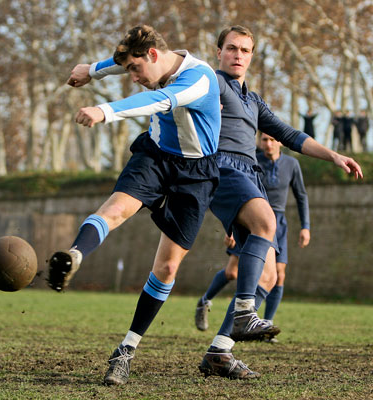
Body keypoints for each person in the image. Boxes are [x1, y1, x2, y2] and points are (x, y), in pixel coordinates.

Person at [48, 25, 221, 386]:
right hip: (155, 157)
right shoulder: (154, 61)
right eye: (129, 70)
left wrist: (104, 109)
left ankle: (126, 348)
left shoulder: (198, 80)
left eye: (136, 71)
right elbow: (127, 61)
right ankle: (76, 255)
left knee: (168, 267)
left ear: (154, 56)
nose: (133, 78)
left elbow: (157, 101)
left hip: (196, 175)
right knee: (115, 209)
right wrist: (92, 69)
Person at [196, 26, 361, 380]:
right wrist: (101, 68)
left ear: (252, 56)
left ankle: (219, 352)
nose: (238, 55)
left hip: (247, 175)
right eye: (231, 48)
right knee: (267, 222)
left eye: (245, 50)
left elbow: (291, 134)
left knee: (269, 276)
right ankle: (243, 314)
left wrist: (334, 156)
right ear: (219, 52)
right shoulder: (211, 82)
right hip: (223, 168)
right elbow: (169, 64)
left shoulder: (253, 100)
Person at [195, 132, 310, 338]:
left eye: (273, 139)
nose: (268, 143)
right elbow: (233, 191)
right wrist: (229, 224)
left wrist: (305, 226)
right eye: (264, 139)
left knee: (277, 275)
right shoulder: (251, 160)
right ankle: (205, 301)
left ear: (280, 142)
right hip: (249, 218)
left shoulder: (292, 164)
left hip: (278, 223)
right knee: (232, 273)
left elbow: (301, 196)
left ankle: (266, 324)